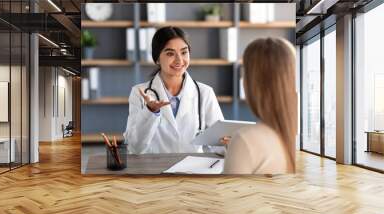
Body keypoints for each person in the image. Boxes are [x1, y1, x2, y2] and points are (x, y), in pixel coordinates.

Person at [124, 26, 224, 154]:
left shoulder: (205, 93)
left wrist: (228, 143)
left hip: (191, 170)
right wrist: (150, 111)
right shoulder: (139, 92)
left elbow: (219, 145)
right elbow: (135, 148)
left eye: (184, 52)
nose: (179, 60)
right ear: (157, 59)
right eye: (170, 53)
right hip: (155, 170)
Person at [223, 37, 297, 174]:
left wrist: (238, 150)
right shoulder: (302, 139)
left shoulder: (245, 139)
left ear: (251, 82)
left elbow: (227, 194)